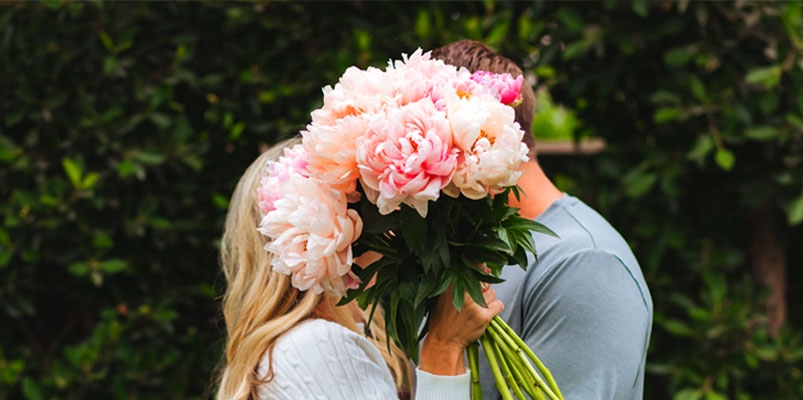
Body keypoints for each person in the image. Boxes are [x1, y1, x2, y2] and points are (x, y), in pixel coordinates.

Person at [431, 40, 653, 400]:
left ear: (481, 136)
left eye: (428, 143)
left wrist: (442, 348)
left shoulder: (586, 265)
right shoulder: (463, 250)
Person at [214, 137, 504, 400]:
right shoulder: (317, 346)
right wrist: (443, 348)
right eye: (364, 196)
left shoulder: (298, 346)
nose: (388, 213)